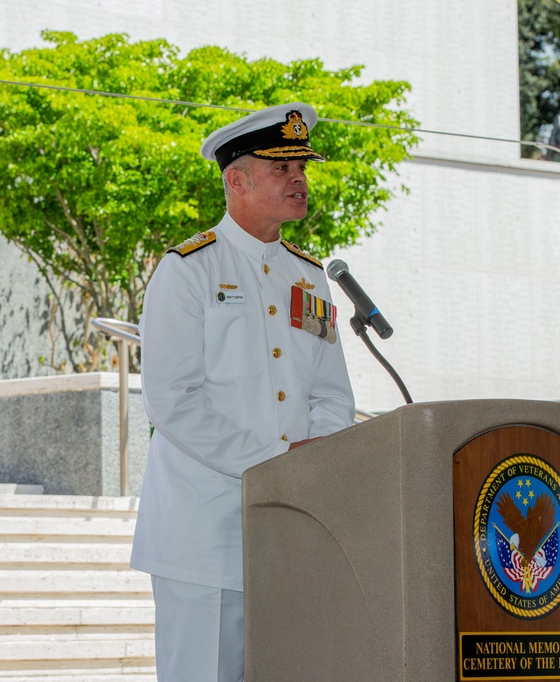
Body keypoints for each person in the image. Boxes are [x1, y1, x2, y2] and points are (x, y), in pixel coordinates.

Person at [130, 103, 356, 681]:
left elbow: (331, 396)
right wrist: (278, 463)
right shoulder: (188, 270)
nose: (300, 179)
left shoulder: (310, 278)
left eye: (302, 167)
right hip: (204, 532)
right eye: (282, 169)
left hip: (292, 528)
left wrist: (316, 463)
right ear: (237, 181)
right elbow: (173, 399)